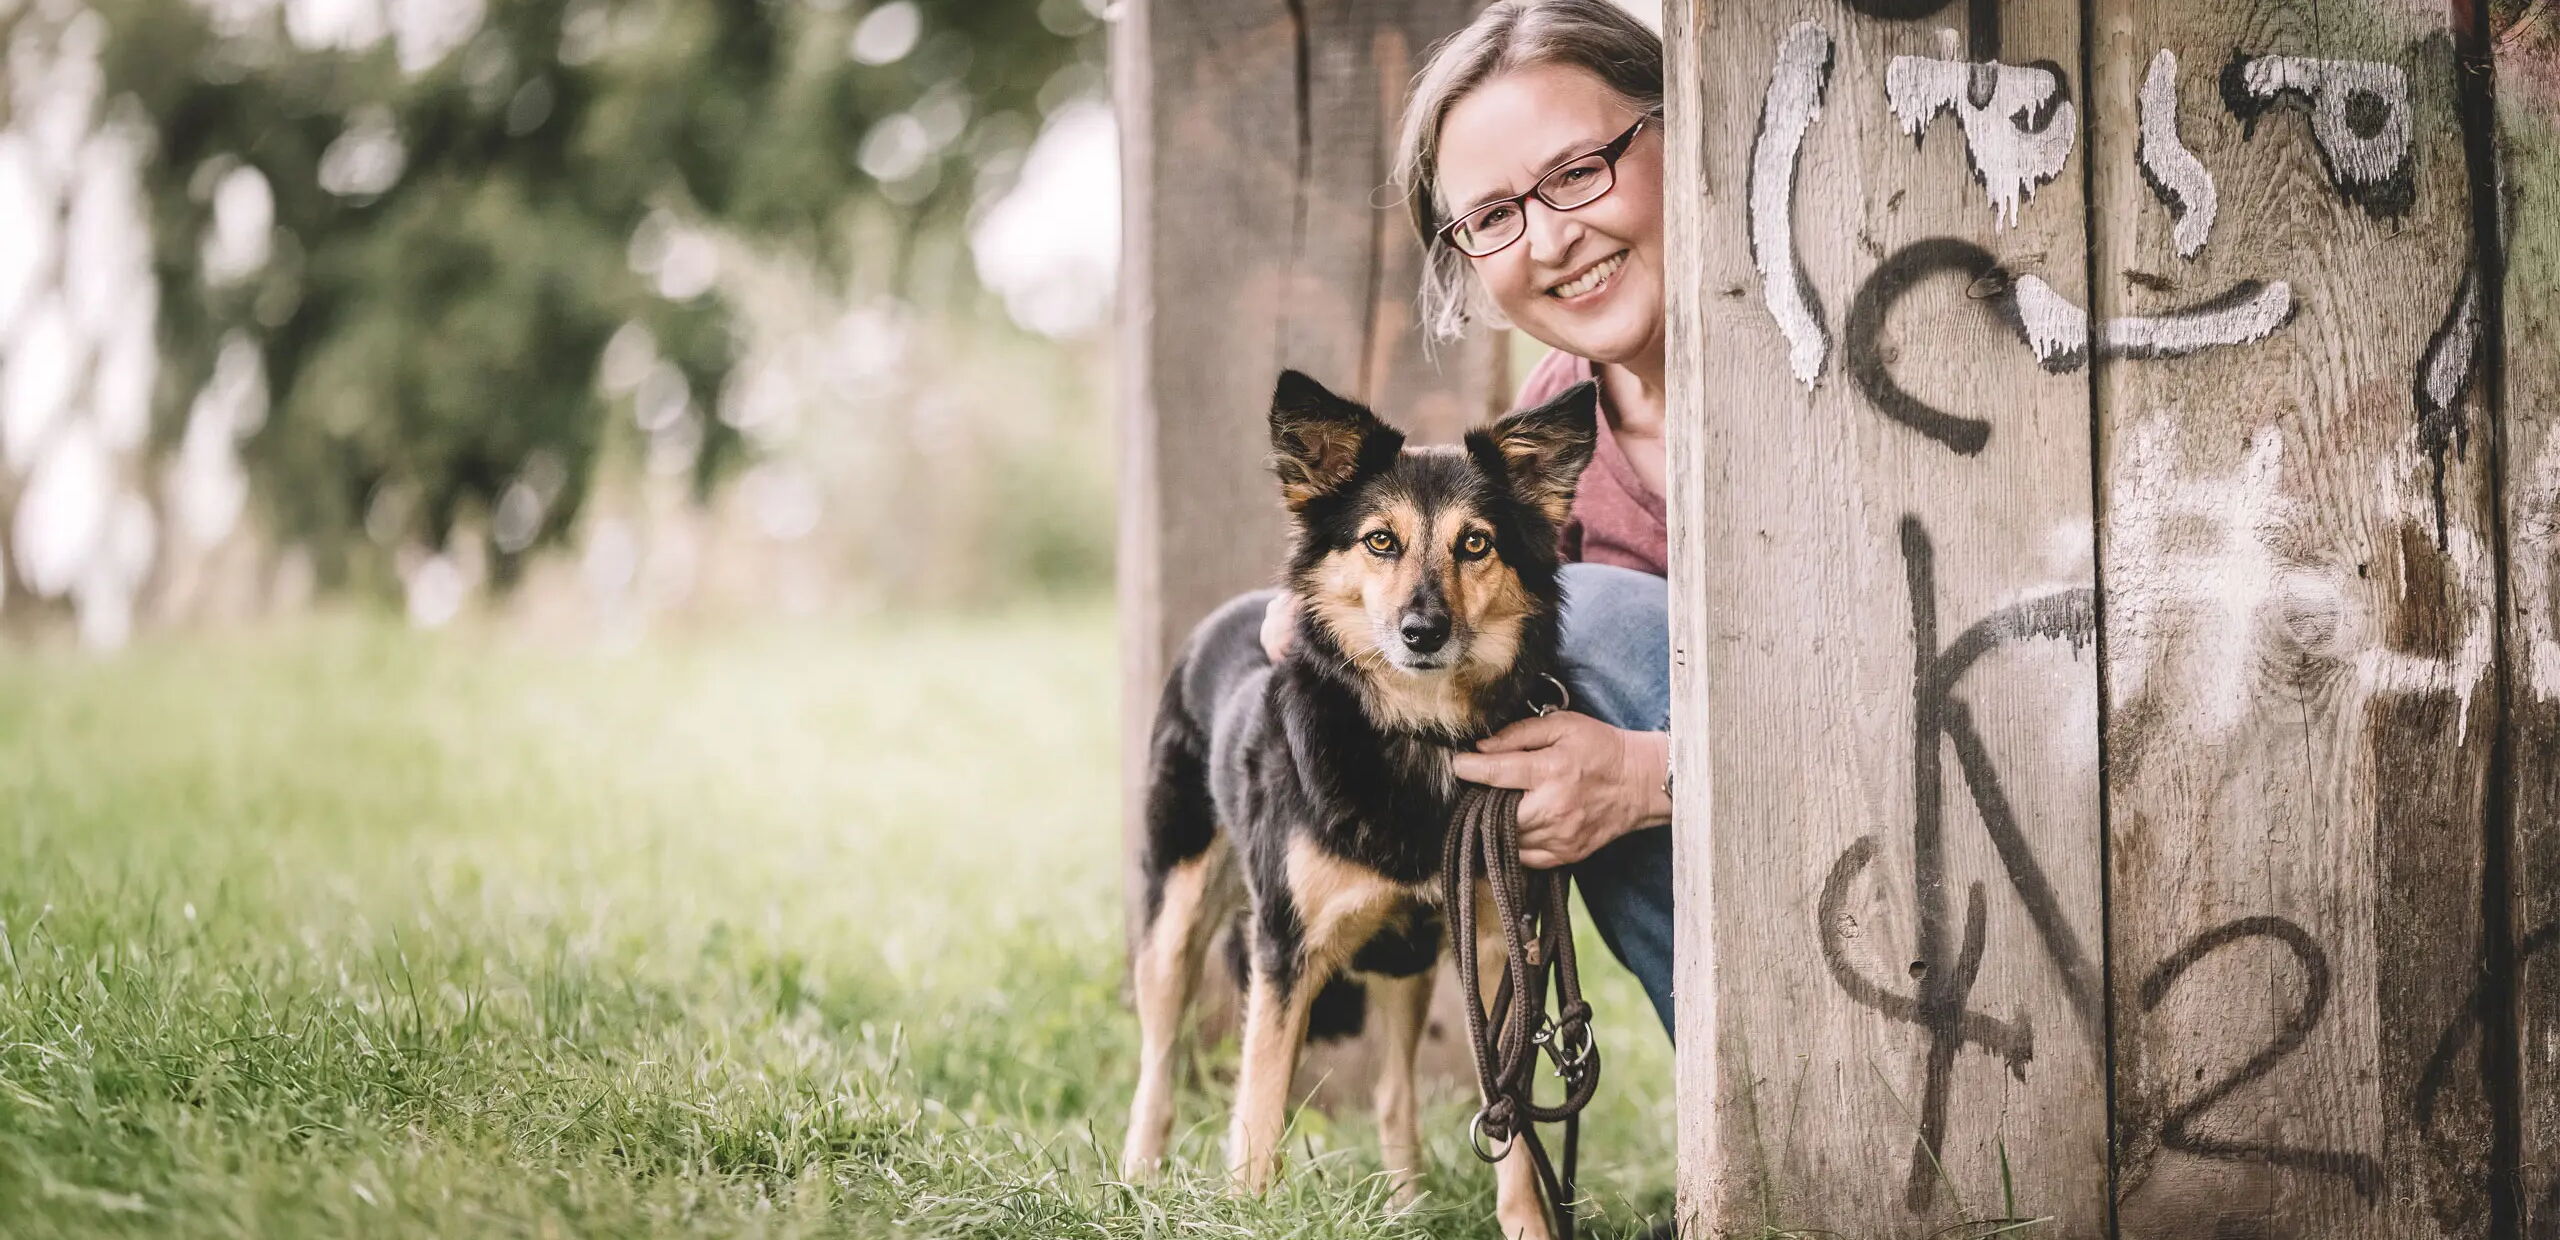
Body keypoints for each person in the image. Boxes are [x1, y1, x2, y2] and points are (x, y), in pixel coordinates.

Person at [1260, 0, 1676, 1035]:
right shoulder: (1554, 410)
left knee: (1595, 623)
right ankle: (1753, 1096)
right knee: (1531, 656)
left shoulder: (1830, 360)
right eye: (1492, 216)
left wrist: (1651, 773)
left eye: (1580, 170)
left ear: (1690, 127)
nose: (1550, 237)